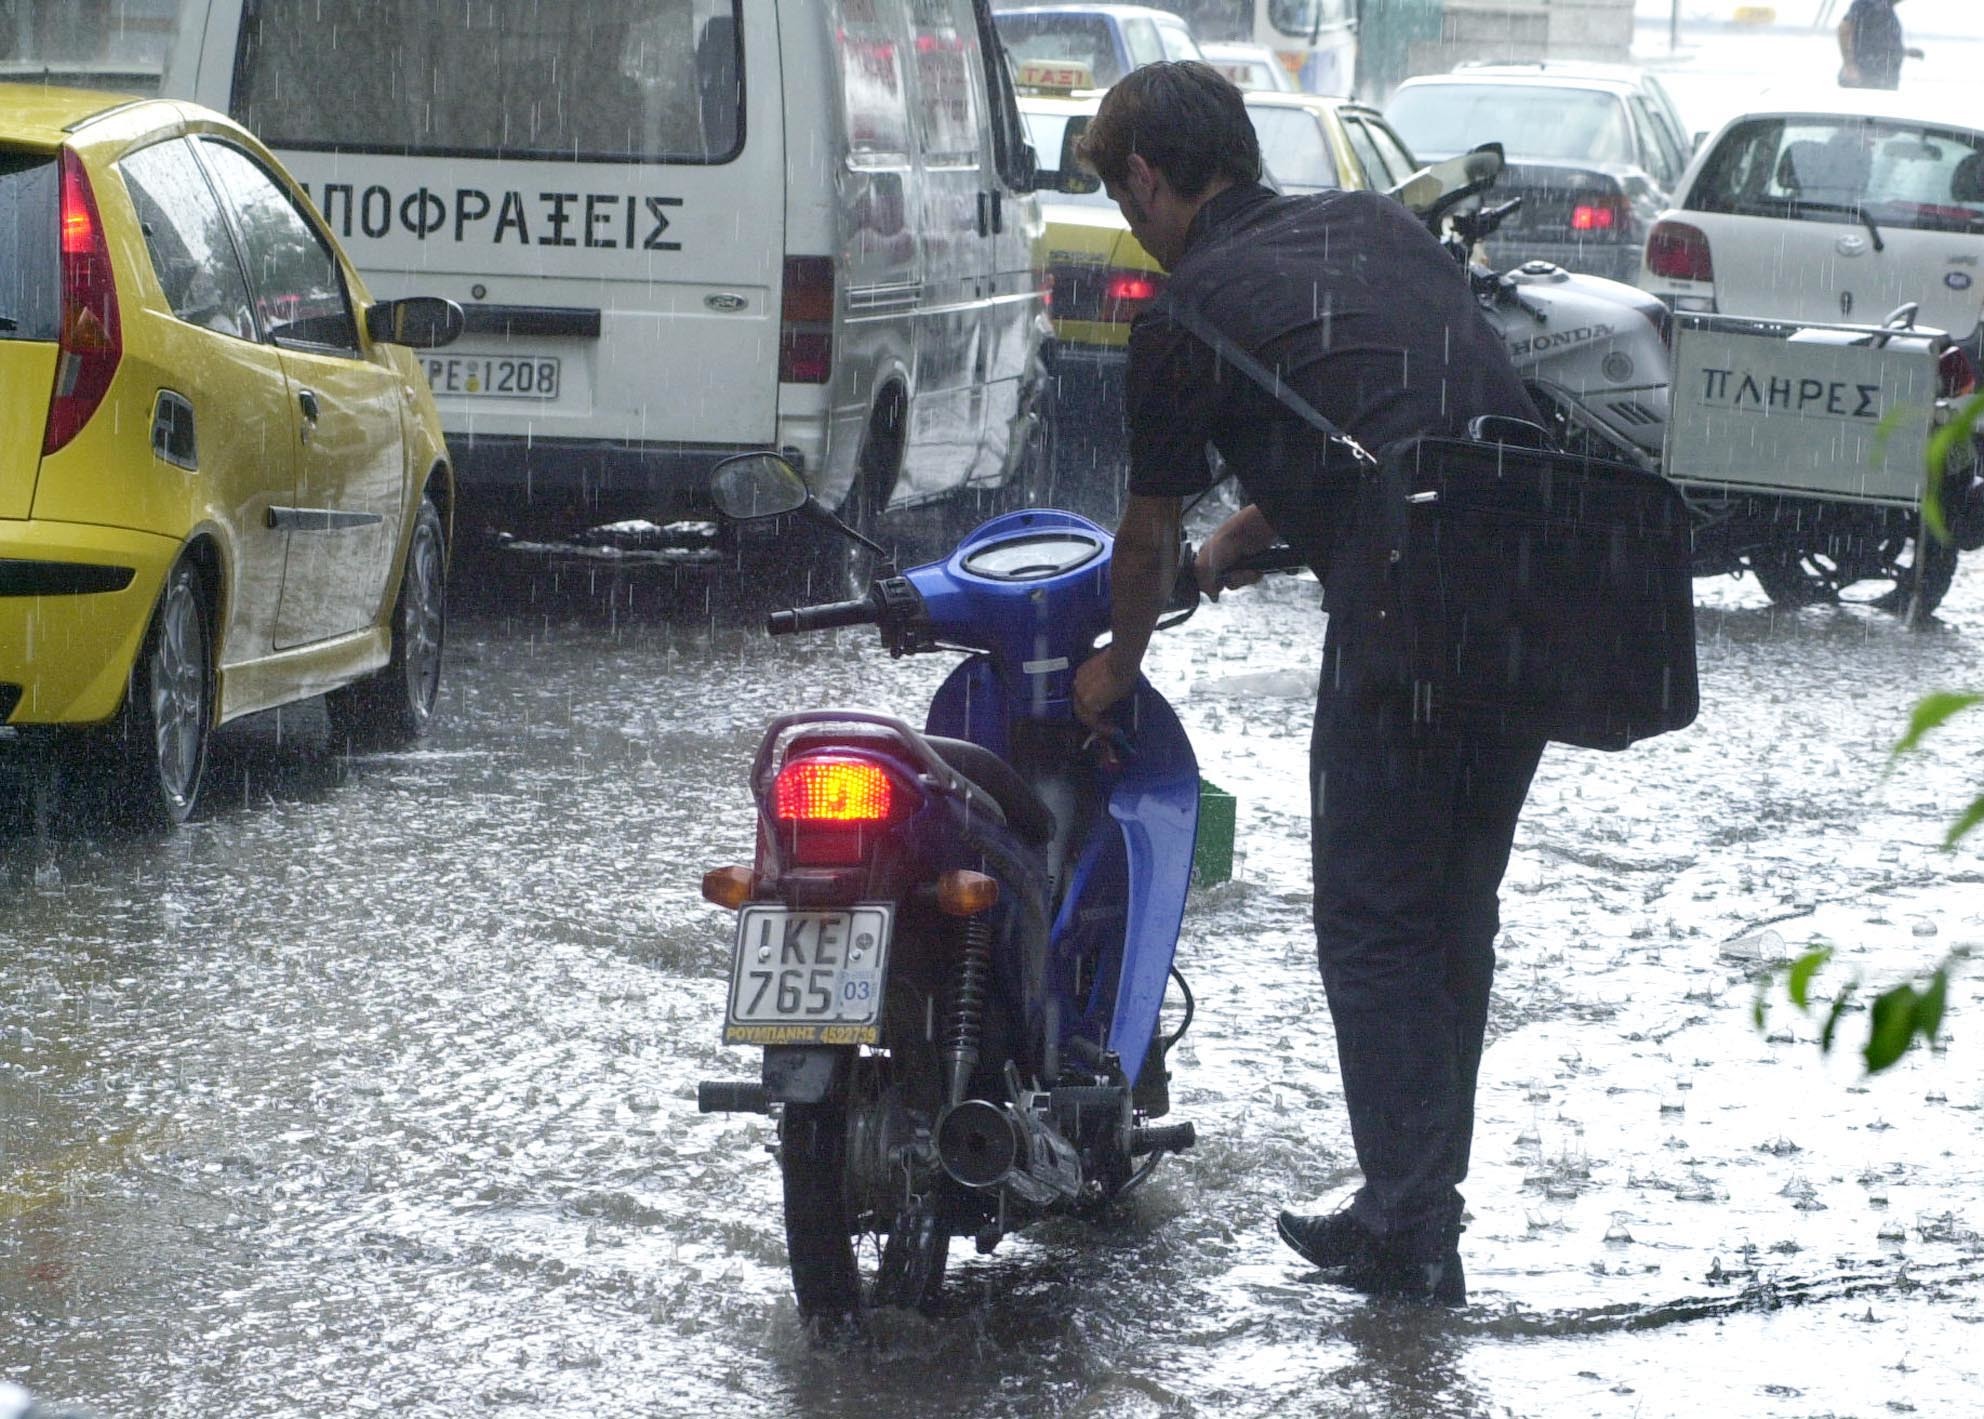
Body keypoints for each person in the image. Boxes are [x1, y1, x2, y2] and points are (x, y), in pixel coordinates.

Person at [1068, 61, 1546, 1307]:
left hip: (1404, 610)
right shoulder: (1373, 225)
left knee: (1374, 922)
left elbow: (1142, 535)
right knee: (1453, 912)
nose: (1132, 226)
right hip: (1533, 592)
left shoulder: (1184, 316)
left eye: (1122, 200)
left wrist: (1118, 665)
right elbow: (1396, 397)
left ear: (1147, 178)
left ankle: (1406, 1231)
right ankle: (1419, 1204)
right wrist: (1258, 524)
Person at [1837, 0, 1922, 90]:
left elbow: (1880, 44)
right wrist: (1849, 66)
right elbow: (1844, 28)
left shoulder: (1887, 10)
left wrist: (1905, 52)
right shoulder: (1867, 3)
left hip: (1883, 79)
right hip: (1866, 77)